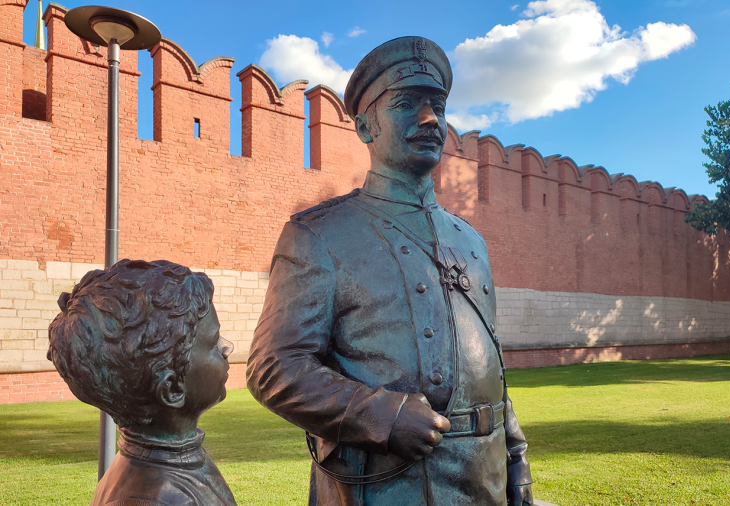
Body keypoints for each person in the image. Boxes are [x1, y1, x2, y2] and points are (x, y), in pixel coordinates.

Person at [247, 36, 533, 506]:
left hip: (486, 483)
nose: (429, 119)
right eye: (406, 104)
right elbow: (272, 366)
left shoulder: (472, 243)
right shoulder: (319, 235)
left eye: (437, 105)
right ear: (364, 126)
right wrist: (379, 414)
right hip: (382, 487)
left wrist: (517, 461)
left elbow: (488, 369)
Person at [48, 259, 237, 506]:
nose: (226, 349)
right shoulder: (160, 498)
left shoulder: (171, 460)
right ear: (172, 389)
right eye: (213, 343)